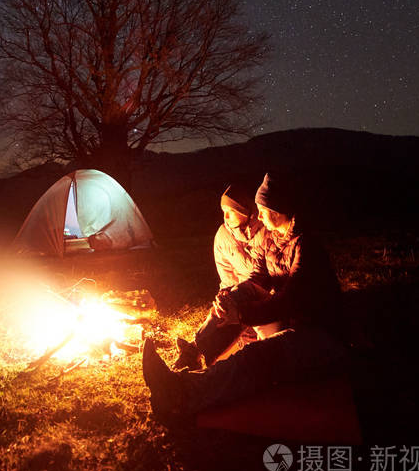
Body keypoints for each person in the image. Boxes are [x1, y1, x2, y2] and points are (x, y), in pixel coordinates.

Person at [142, 171, 347, 420]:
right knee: (241, 297)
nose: (259, 215)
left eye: (263, 209)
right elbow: (258, 278)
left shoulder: (307, 248)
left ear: (279, 210)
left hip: (318, 335)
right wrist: (232, 300)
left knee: (254, 358)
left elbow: (290, 301)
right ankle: (194, 356)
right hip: (289, 321)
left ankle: (181, 394)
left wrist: (242, 314)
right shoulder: (273, 239)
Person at [173, 182, 266, 370]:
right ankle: (195, 354)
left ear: (246, 211)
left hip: (262, 294)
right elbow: (227, 277)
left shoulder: (266, 231)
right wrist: (223, 298)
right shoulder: (223, 236)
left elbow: (269, 276)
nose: (225, 216)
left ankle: (196, 351)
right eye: (223, 210)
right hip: (238, 295)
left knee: (240, 304)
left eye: (230, 211)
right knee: (226, 305)